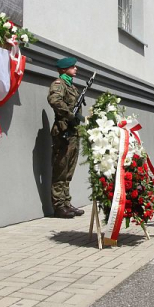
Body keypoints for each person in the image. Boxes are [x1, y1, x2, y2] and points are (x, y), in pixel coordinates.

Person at [48, 57, 85, 217]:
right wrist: (70, 115)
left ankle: (66, 202)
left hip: (73, 132)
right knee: (61, 169)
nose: (75, 69)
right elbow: (54, 100)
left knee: (69, 170)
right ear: (64, 69)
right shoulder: (59, 84)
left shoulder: (71, 86)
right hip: (63, 132)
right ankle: (58, 205)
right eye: (72, 67)